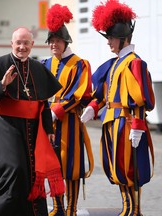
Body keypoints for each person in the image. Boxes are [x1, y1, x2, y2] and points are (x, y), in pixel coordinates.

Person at [0, 27, 64, 216]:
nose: (22, 47)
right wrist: (2, 85)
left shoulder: (38, 68)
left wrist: (48, 129)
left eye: (26, 43)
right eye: (18, 42)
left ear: (32, 45)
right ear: (12, 44)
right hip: (7, 126)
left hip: (33, 129)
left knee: (32, 172)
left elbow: (43, 102)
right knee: (14, 169)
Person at [81, 0, 155, 215]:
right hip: (111, 122)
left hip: (126, 122)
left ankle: (132, 211)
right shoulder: (113, 64)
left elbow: (140, 99)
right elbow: (104, 94)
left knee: (130, 168)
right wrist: (94, 107)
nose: (109, 43)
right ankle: (128, 208)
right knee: (117, 168)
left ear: (123, 39)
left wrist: (138, 125)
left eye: (111, 38)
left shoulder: (135, 63)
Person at [42, 4, 94, 216]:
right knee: (53, 166)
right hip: (49, 122)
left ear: (65, 42)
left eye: (57, 41)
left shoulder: (80, 64)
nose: (54, 44)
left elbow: (79, 94)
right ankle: (58, 207)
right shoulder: (45, 63)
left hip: (70, 122)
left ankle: (71, 209)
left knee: (71, 167)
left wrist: (56, 110)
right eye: (51, 41)